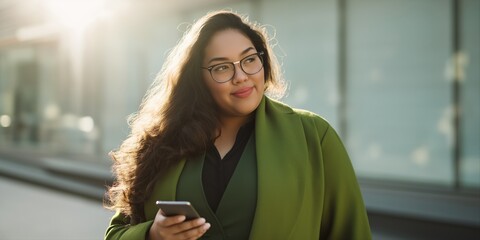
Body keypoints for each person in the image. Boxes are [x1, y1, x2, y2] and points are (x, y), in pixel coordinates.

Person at [104, 10, 371, 240]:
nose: (241, 76)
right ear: (198, 79)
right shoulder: (161, 142)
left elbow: (351, 233)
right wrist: (153, 235)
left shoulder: (314, 136)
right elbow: (116, 233)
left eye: (249, 60)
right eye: (222, 68)